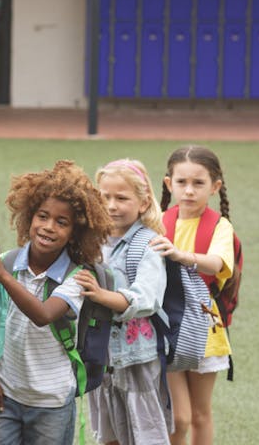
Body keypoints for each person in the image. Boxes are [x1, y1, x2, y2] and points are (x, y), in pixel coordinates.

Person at [0, 160, 112, 445]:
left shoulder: (78, 277)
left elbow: (43, 314)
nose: (48, 227)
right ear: (29, 217)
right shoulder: (11, 262)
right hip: (7, 394)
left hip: (52, 401)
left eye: (62, 222)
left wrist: (1, 275)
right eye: (42, 216)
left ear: (75, 231)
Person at [74, 159, 173, 445]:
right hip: (99, 355)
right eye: (104, 197)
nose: (112, 205)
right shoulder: (92, 240)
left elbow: (147, 298)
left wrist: (101, 296)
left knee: (145, 432)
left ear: (142, 203)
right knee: (107, 430)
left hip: (137, 356)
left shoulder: (148, 244)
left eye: (121, 198)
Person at [151, 145, 235, 445]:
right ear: (168, 183)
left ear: (215, 187)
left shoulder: (220, 226)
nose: (189, 190)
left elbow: (217, 263)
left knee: (200, 414)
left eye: (198, 183)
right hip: (168, 326)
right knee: (178, 416)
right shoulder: (157, 223)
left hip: (205, 327)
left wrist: (181, 255)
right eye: (181, 182)